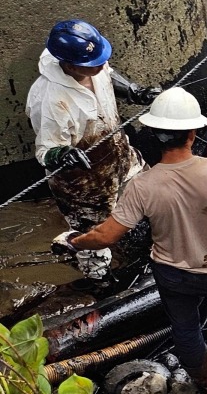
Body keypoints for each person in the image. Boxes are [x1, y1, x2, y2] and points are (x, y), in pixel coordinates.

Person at [62, 88, 207, 392]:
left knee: (185, 329)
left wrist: (76, 241)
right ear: (193, 132)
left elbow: (105, 236)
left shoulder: (142, 186)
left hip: (173, 275)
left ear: (154, 134)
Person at [26, 20, 159, 278]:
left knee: (151, 189)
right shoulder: (51, 100)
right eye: (93, 63)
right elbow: (45, 152)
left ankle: (156, 239)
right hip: (84, 180)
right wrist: (63, 154)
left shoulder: (91, 65)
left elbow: (107, 74)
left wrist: (135, 92)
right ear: (69, 65)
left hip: (120, 153)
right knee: (94, 235)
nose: (101, 64)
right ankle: (98, 279)